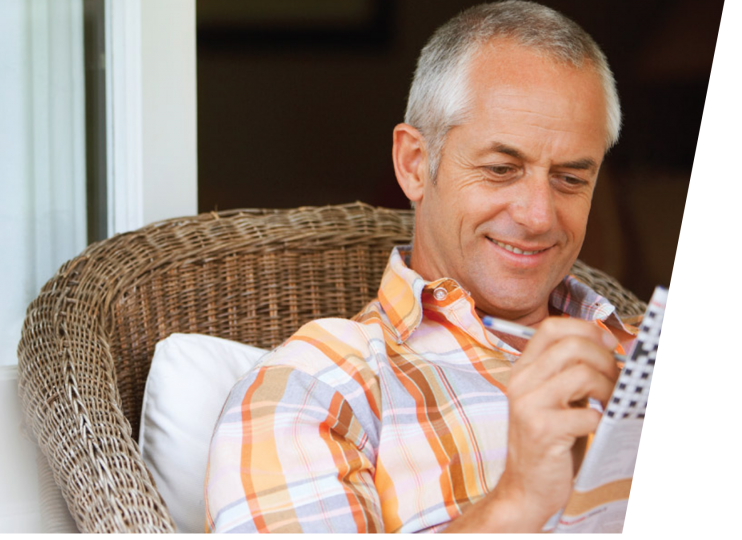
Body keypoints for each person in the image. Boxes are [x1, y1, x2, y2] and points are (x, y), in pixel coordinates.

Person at [204, 1, 640, 533]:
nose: (537, 216)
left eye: (570, 179)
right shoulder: (320, 382)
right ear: (415, 164)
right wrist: (519, 498)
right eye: (502, 169)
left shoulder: (634, 347)